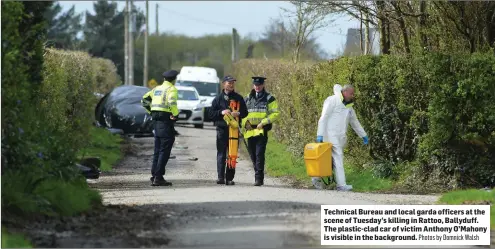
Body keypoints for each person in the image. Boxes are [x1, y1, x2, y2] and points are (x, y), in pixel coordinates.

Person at [314, 84, 368, 191]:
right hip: (329, 135)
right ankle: (341, 185)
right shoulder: (332, 100)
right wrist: (319, 134)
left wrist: (363, 135)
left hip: (340, 137)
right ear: (345, 92)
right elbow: (324, 117)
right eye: (351, 93)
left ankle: (316, 178)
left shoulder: (349, 107)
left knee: (329, 161)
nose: (353, 96)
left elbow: (354, 122)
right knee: (338, 158)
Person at [141, 70, 180, 186]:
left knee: (157, 150)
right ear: (174, 80)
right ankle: (158, 177)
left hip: (156, 122)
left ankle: (154, 176)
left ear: (164, 79)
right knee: (164, 150)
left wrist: (151, 112)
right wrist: (175, 114)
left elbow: (144, 100)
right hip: (165, 122)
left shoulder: (157, 89)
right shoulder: (171, 89)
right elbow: (172, 102)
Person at [209, 75, 248, 185]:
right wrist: (221, 112)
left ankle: (229, 178)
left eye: (232, 83)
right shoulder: (218, 99)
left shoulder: (238, 98)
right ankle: (220, 177)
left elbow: (245, 112)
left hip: (234, 130)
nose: (231, 84)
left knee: (232, 153)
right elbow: (211, 114)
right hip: (222, 129)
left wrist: (238, 113)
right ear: (224, 84)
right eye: (229, 82)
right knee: (221, 153)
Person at [242, 76, 280, 186]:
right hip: (249, 130)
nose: (257, 87)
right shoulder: (247, 98)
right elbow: (243, 113)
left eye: (259, 85)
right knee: (252, 154)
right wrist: (245, 124)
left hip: (261, 130)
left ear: (263, 85)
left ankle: (259, 179)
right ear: (253, 85)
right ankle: (258, 173)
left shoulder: (269, 98)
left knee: (259, 154)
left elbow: (275, 113)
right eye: (255, 85)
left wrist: (263, 122)